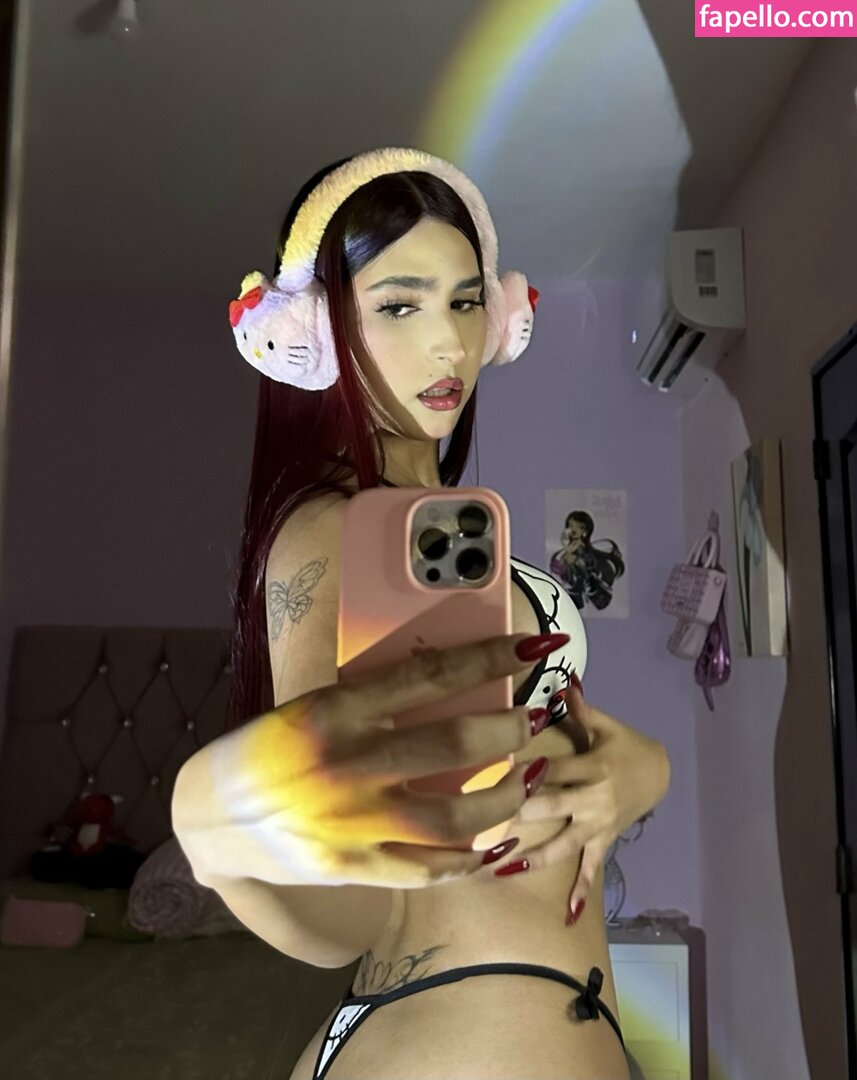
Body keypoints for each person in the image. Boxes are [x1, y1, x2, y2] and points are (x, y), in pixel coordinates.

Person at [175, 148, 671, 1080]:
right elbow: (349, 905)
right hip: (457, 1038)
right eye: (400, 306)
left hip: (522, 1022)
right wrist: (214, 833)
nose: (448, 344)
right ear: (314, 332)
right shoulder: (334, 530)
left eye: (466, 301)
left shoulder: (436, 528)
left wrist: (643, 770)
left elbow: (541, 751)